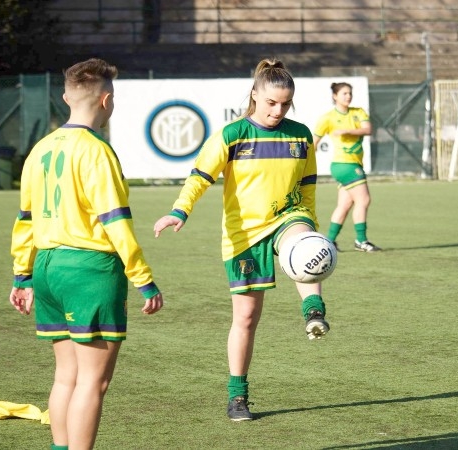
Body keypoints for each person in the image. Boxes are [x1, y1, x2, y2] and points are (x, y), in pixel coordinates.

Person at [153, 58, 330, 422]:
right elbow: (200, 177)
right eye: (271, 103)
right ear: (254, 94)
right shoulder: (232, 135)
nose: (278, 111)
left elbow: (307, 187)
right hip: (244, 235)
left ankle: (314, 311)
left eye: (285, 104)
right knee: (246, 319)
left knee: (306, 245)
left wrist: (310, 222)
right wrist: (179, 211)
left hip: (287, 217)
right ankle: (238, 397)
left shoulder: (300, 135)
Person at [9, 58, 164, 450]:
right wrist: (143, 279)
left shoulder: (39, 149)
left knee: (66, 377)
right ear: (107, 100)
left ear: (65, 97)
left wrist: (22, 276)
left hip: (46, 269)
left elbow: (25, 219)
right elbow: (115, 222)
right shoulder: (98, 152)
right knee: (94, 381)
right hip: (89, 270)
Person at [313, 82, 381, 252]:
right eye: (344, 93)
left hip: (351, 164)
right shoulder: (328, 118)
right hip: (345, 164)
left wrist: (346, 131)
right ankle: (361, 241)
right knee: (364, 200)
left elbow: (367, 129)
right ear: (335, 96)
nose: (348, 96)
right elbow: (313, 143)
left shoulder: (358, 112)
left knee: (345, 204)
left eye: (350, 93)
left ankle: (329, 242)